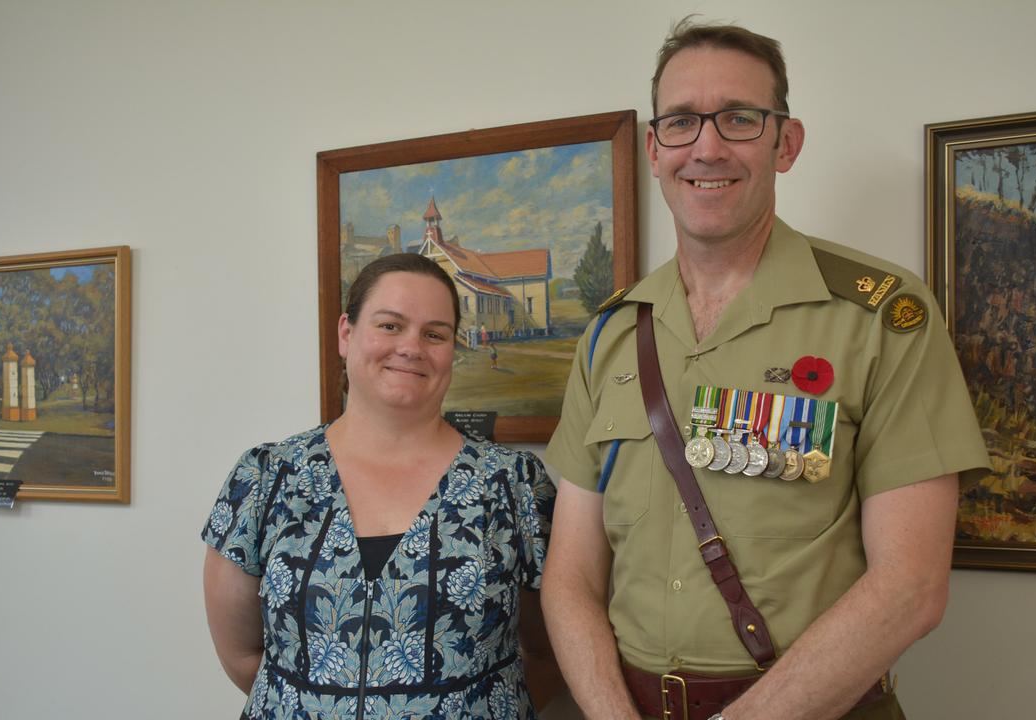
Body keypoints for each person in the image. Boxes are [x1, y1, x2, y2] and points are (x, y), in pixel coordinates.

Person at [542, 18, 990, 720]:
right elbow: (568, 577)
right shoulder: (609, 332)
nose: (708, 146)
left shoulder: (879, 317)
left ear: (786, 143)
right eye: (683, 122)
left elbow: (912, 585)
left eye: (740, 118)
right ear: (655, 148)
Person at [203, 253, 561, 719]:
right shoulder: (265, 476)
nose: (412, 347)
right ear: (346, 334)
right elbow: (242, 656)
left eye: (435, 333)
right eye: (390, 325)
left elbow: (551, 654)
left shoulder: (513, 485)